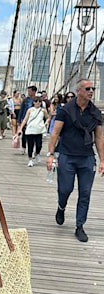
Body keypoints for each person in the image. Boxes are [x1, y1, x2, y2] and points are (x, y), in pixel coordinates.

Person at [47, 79, 104, 242]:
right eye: (88, 88)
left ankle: (80, 226)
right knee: (65, 189)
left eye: (93, 88)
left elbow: (99, 137)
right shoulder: (65, 110)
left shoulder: (95, 112)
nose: (91, 91)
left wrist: (102, 161)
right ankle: (61, 207)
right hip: (67, 156)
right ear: (78, 90)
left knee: (85, 193)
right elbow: (55, 133)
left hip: (87, 158)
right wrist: (50, 155)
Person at [18, 96, 48, 167]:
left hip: (39, 129)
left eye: (39, 101)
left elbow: (47, 118)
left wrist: (46, 123)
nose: (38, 103)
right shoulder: (30, 110)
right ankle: (30, 160)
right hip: (30, 129)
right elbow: (25, 119)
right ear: (33, 102)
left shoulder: (43, 110)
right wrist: (20, 128)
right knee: (30, 145)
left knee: (39, 145)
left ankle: (37, 154)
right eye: (36, 101)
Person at [17, 85, 36, 154]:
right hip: (25, 119)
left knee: (33, 135)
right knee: (24, 134)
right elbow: (21, 110)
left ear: (34, 92)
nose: (28, 92)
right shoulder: (26, 100)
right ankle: (23, 147)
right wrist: (19, 120)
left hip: (34, 120)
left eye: (30, 91)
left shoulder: (37, 100)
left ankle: (32, 148)